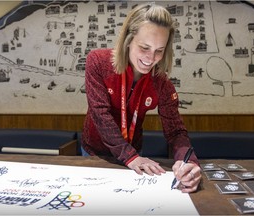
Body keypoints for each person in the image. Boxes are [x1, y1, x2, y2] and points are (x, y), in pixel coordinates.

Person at [81, 3, 201, 193]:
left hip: (135, 156)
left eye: (159, 50)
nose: (151, 58)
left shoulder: (161, 83)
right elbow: (100, 114)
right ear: (128, 39)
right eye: (144, 47)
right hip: (95, 153)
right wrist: (129, 156)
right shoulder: (97, 62)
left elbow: (176, 131)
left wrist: (188, 162)